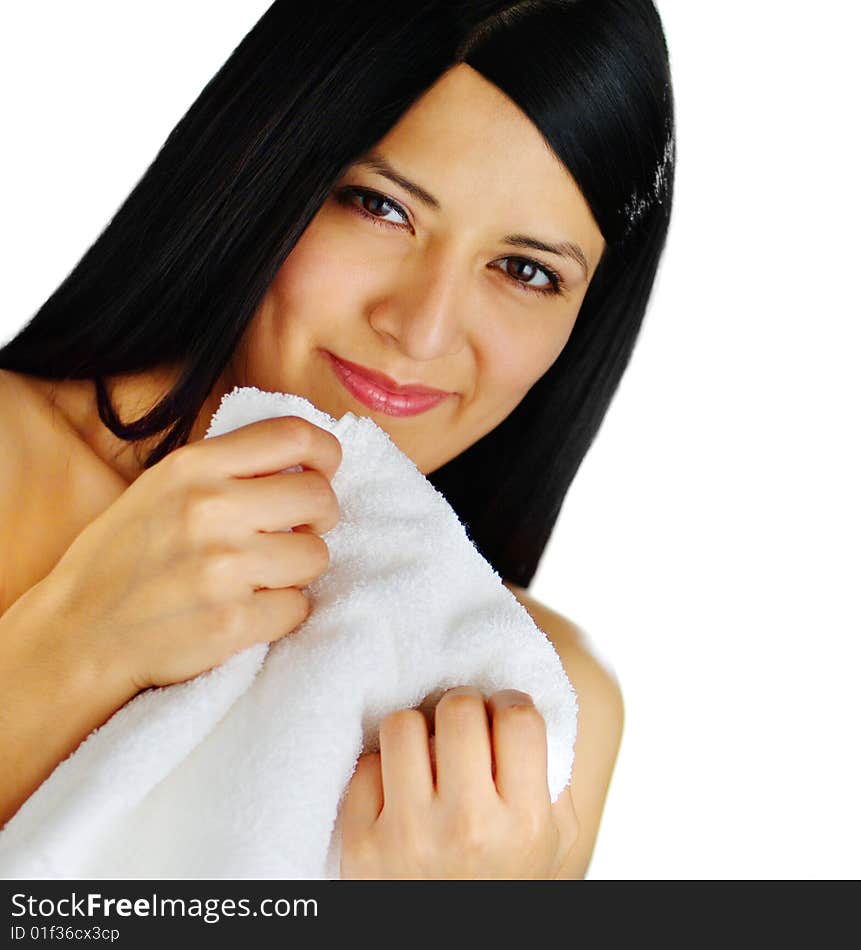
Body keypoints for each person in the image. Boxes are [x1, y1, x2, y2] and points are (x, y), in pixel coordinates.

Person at [0, 0, 675, 878]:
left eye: (526, 270)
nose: (423, 331)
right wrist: (72, 645)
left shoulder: (532, 702)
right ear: (264, 158)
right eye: (381, 207)